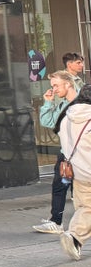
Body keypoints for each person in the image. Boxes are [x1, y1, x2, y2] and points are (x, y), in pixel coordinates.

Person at [34, 70, 80, 234]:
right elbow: (47, 121)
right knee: (60, 185)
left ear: (68, 84)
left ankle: (59, 222)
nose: (53, 89)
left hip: (82, 153)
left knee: (79, 189)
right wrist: (48, 102)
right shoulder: (62, 104)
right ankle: (56, 221)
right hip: (66, 154)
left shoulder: (83, 102)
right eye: (52, 86)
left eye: (56, 85)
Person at [57, 85, 91, 261]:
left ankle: (75, 237)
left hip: (78, 173)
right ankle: (75, 236)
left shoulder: (66, 118)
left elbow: (64, 146)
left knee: (86, 207)